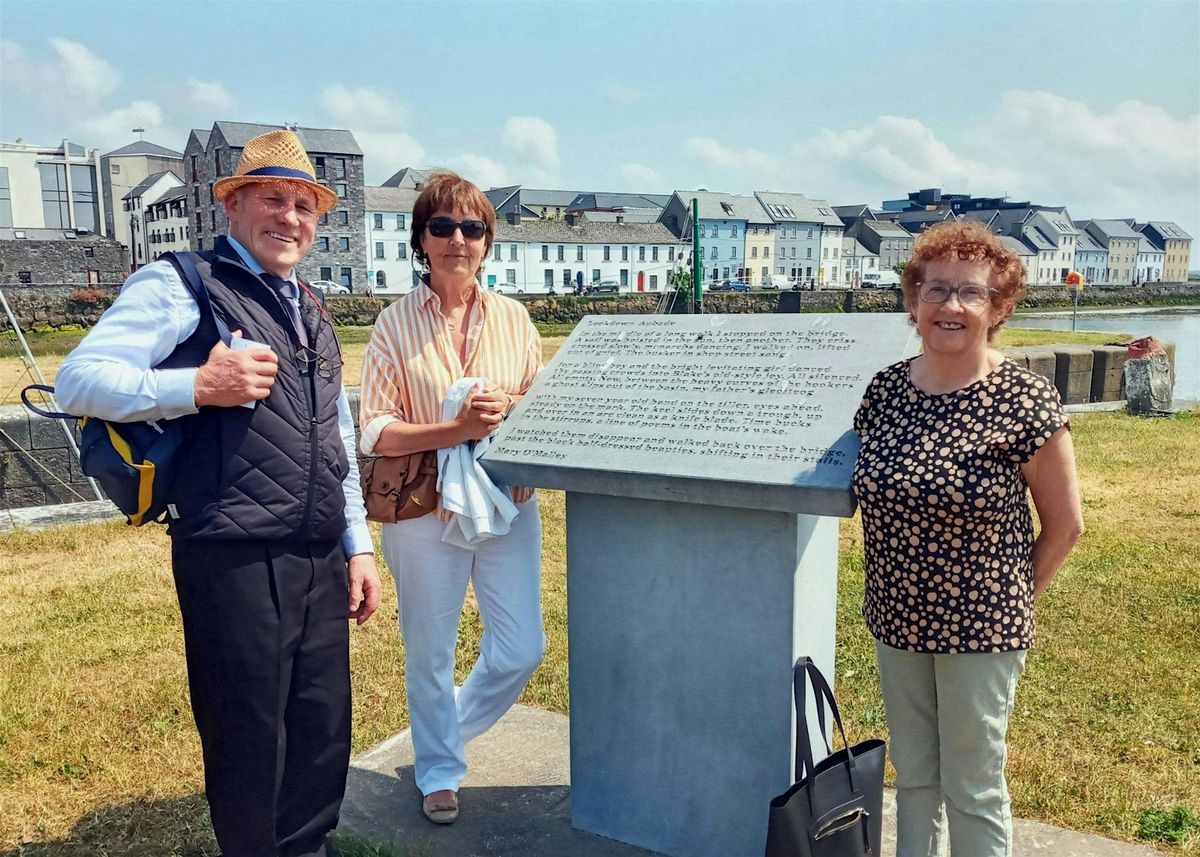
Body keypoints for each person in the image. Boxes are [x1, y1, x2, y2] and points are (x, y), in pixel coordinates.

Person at [55, 129, 382, 857]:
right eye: (273, 199)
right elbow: (77, 380)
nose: (290, 217)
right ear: (232, 205)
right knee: (248, 737)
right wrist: (196, 385)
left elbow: (334, 435)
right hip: (231, 552)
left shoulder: (312, 306)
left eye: (304, 204)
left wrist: (357, 543)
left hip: (318, 551)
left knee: (322, 728)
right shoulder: (182, 282)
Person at [851, 219, 1084, 857]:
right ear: (913, 300)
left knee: (973, 783)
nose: (950, 305)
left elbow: (1065, 526)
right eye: (936, 289)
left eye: (970, 293)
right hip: (896, 617)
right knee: (916, 777)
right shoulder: (886, 392)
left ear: (998, 308)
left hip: (981, 626)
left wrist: (1005, 598)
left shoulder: (1024, 400)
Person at [358, 171, 544, 826]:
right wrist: (455, 428)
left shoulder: (516, 318)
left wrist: (509, 408)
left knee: (523, 646)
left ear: (488, 241)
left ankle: (443, 735)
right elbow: (375, 429)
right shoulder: (393, 324)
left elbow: (539, 410)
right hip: (422, 508)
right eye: (442, 226)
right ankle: (438, 771)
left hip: (506, 502)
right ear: (421, 240)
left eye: (472, 227)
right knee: (430, 649)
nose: (458, 239)